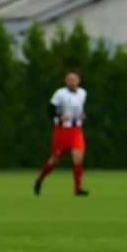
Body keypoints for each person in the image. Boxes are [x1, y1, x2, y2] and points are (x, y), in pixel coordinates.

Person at [34, 69, 88, 197]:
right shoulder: (60, 94)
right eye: (70, 79)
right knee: (55, 160)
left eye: (74, 79)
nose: (72, 81)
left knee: (78, 158)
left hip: (76, 129)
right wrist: (59, 116)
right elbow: (50, 109)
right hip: (62, 130)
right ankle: (39, 180)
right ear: (66, 80)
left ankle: (78, 189)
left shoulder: (83, 93)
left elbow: (80, 109)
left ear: (79, 80)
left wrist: (83, 115)